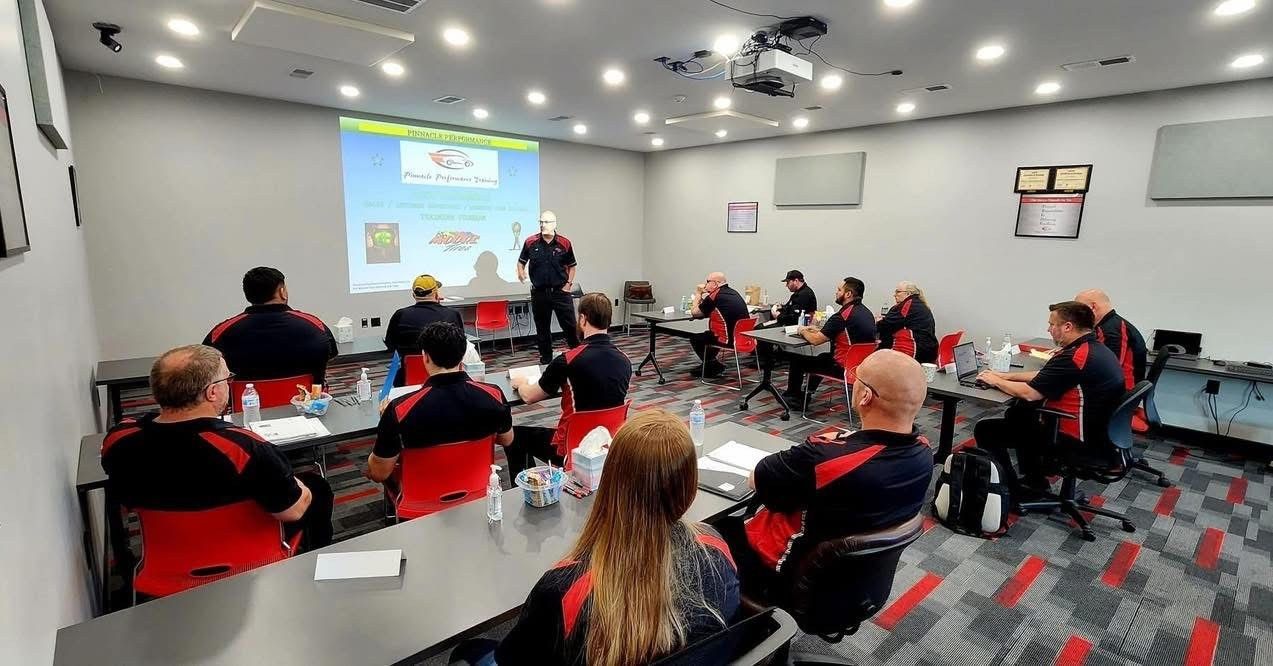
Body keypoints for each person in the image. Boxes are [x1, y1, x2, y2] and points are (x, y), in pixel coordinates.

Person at [452, 410, 739, 666]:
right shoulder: (717, 549)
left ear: (611, 482)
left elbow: (513, 658)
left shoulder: (565, 589)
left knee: (468, 650)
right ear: (689, 489)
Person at [719, 350, 932, 599]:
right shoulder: (924, 452)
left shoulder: (826, 459)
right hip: (848, 582)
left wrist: (824, 446)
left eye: (856, 378)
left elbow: (757, 479)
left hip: (785, 571)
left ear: (865, 396)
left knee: (704, 531)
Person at [102, 345, 333, 553]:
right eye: (226, 379)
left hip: (166, 557)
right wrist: (301, 485)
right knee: (317, 488)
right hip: (247, 555)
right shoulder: (245, 447)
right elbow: (291, 510)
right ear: (212, 392)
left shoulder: (118, 441)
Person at [973, 301, 1126, 497]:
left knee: (987, 429)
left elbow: (1030, 392)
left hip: (1077, 440)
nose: (1048, 329)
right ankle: (1035, 481)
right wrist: (1003, 376)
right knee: (1019, 414)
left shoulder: (1076, 356)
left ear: (1067, 326)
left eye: (1052, 324)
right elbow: (1045, 375)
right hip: (1101, 434)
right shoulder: (1092, 348)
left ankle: (1010, 489)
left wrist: (995, 381)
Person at [366, 322, 513, 486]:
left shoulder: (400, 410)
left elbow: (378, 473)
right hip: (478, 488)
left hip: (421, 497)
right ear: (462, 355)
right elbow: (507, 439)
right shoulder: (494, 395)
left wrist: (386, 420)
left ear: (426, 356)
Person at [507, 293, 631, 479]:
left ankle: (526, 493)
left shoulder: (567, 360)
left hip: (573, 449)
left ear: (582, 319)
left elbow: (529, 397)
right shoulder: (625, 360)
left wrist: (521, 382)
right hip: (609, 445)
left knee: (513, 437)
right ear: (609, 321)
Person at [204, 266, 338, 385]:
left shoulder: (221, 332)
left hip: (244, 409)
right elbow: (330, 354)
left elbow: (205, 364)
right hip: (308, 406)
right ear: (282, 292)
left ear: (248, 295)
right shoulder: (316, 326)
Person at [784, 277, 876, 401]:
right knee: (822, 357)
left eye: (839, 290)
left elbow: (816, 340)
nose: (836, 292)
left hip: (842, 367)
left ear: (848, 294)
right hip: (861, 366)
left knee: (797, 360)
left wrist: (802, 330)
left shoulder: (841, 316)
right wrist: (817, 330)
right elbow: (841, 332)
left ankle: (794, 398)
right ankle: (808, 393)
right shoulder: (866, 313)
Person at [518, 210, 580, 364]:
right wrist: (520, 272)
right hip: (539, 293)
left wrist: (568, 285)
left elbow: (572, 266)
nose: (542, 225)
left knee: (570, 327)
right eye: (541, 222)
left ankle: (577, 357)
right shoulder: (530, 242)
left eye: (546, 222)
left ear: (554, 224)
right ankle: (546, 359)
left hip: (561, 292)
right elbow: (521, 261)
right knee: (542, 329)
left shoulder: (564, 243)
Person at [383, 274, 465, 385]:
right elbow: (461, 344)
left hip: (407, 378)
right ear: (436, 294)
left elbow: (390, 344)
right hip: (447, 377)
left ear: (413, 295)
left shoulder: (400, 315)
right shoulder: (452, 314)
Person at [687, 271, 751, 378]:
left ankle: (712, 364)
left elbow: (695, 313)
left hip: (729, 339)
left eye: (707, 281)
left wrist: (698, 293)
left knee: (696, 339)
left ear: (715, 283)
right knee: (709, 335)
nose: (705, 284)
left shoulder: (715, 296)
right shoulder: (733, 292)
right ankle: (711, 364)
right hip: (743, 338)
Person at [876, 281, 938, 363]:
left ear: (908, 294)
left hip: (916, 352)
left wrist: (877, 322)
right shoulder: (920, 304)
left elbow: (887, 324)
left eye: (898, 292)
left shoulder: (908, 305)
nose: (894, 295)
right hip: (929, 350)